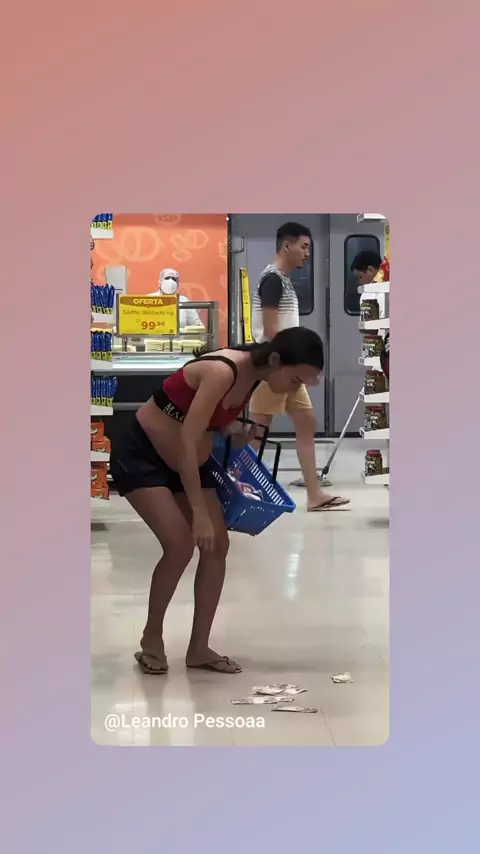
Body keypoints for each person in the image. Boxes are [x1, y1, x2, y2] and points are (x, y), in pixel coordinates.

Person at [109, 326, 325, 675]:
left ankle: (199, 648)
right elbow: (186, 439)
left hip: (189, 462)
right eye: (296, 379)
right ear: (275, 360)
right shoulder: (222, 371)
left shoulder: (255, 379)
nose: (294, 389)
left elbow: (206, 425)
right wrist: (198, 511)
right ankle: (151, 638)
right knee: (180, 545)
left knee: (217, 545)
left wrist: (232, 431)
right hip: (143, 455)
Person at [249, 222, 349, 512]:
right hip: (275, 369)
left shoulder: (283, 280)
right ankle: (240, 487)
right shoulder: (272, 280)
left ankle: (314, 494)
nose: (307, 253)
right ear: (286, 245)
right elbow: (270, 331)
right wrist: (289, 364)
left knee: (306, 423)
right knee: (257, 433)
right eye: (304, 246)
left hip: (288, 370)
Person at [351, 250, 389, 379]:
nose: (359, 282)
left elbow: (370, 329)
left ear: (370, 270)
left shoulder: (370, 292)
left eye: (360, 277)